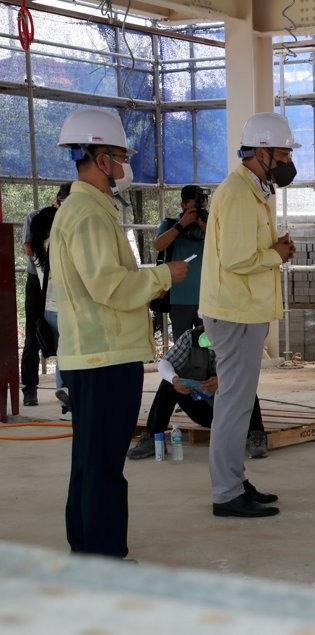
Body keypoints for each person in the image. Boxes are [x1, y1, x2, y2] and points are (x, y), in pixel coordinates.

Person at [50, 108, 188, 558]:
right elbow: (109, 285)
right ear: (100, 156)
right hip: (103, 356)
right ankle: (102, 555)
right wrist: (164, 275)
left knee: (91, 461)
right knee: (105, 463)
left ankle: (86, 547)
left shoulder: (90, 209)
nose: (125, 164)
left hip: (97, 353)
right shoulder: (87, 213)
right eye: (120, 155)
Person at [199, 111, 298, 518]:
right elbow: (239, 259)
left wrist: (273, 248)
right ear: (262, 152)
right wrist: (275, 254)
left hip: (242, 311)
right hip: (234, 313)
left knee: (237, 404)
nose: (288, 161)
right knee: (234, 405)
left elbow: (242, 251)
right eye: (283, 153)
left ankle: (234, 481)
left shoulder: (253, 191)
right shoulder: (239, 193)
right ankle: (226, 492)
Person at [127, 324, 269, 461]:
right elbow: (165, 363)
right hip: (204, 410)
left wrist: (223, 381)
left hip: (231, 412)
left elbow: (248, 371)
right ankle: (153, 438)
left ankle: (256, 435)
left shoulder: (240, 340)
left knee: (246, 386)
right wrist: (175, 380)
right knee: (168, 385)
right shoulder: (192, 337)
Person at [19, 182, 71, 406]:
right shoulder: (37, 216)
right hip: (39, 285)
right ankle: (30, 389)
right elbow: (28, 247)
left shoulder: (65, 221)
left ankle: (65, 393)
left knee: (62, 346)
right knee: (35, 336)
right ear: (58, 199)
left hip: (51, 288)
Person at [153, 185, 209, 338]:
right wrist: (181, 225)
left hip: (208, 298)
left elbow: (225, 249)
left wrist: (207, 229)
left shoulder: (210, 225)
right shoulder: (171, 225)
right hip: (179, 298)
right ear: (183, 205)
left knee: (208, 348)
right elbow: (158, 245)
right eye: (193, 206)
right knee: (182, 346)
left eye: (200, 205)